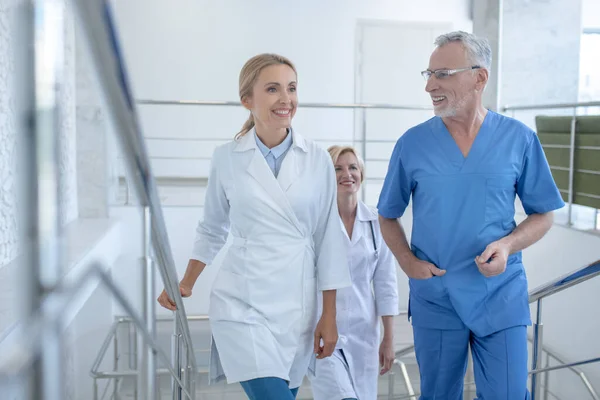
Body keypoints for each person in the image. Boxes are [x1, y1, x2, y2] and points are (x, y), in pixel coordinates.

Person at [377, 31, 564, 400]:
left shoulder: (518, 139)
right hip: (437, 293)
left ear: (479, 77)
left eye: (442, 74)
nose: (430, 85)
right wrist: (407, 261)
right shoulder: (412, 144)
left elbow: (543, 213)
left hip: (500, 293)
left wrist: (509, 245)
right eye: (427, 75)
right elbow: (387, 215)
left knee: (509, 395)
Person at [157, 53, 351, 400]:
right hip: (242, 302)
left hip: (296, 307)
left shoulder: (318, 159)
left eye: (291, 88)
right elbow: (213, 227)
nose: (285, 99)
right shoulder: (227, 157)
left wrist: (329, 315)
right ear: (248, 100)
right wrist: (185, 282)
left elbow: (328, 239)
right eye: (273, 89)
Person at [309, 145, 399, 400]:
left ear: (361, 173)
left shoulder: (376, 223)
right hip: (323, 329)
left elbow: (385, 284)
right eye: (337, 168)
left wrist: (389, 338)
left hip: (364, 333)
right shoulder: (315, 223)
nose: (346, 174)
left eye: (352, 167)